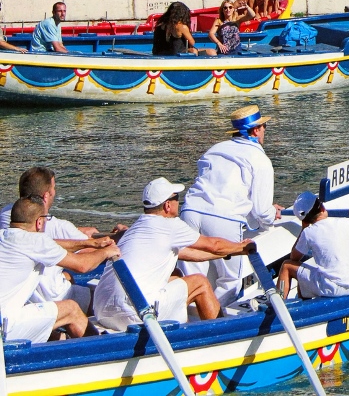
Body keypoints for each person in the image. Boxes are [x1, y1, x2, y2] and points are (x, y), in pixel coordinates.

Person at [92, 178, 253, 331]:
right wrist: (242, 247)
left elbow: (189, 253)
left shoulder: (136, 228)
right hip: (135, 312)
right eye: (177, 198)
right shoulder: (170, 225)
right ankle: (221, 337)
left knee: (175, 275)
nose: (179, 202)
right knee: (200, 282)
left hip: (102, 310)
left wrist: (226, 253)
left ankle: (182, 329)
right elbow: (214, 245)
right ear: (167, 205)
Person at [179, 106, 279, 306]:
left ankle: (186, 318)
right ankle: (213, 321)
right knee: (231, 280)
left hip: (190, 212)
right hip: (224, 217)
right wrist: (271, 215)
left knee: (191, 277)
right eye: (263, 126)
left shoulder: (215, 149)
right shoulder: (260, 159)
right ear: (256, 130)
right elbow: (261, 210)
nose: (265, 130)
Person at [0, 197, 119, 341]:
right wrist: (107, 251)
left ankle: (61, 338)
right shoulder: (35, 241)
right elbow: (82, 266)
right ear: (39, 222)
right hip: (5, 327)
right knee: (71, 309)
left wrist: (90, 243)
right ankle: (103, 351)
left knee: (66, 281)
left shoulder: (4, 236)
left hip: (6, 320)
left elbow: (51, 244)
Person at [278, 192, 349, 299]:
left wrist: (304, 228)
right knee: (304, 277)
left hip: (331, 288)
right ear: (322, 207)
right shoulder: (345, 223)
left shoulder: (308, 232)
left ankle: (279, 304)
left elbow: (293, 258)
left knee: (287, 266)